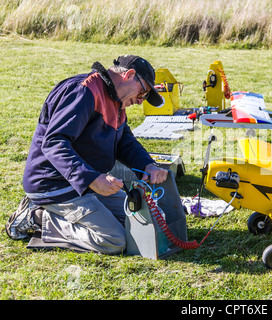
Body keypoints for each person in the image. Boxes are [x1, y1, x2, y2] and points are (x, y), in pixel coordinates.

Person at [6, 55, 168, 254]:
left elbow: (126, 142)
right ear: (129, 75)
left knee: (152, 218)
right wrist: (92, 179)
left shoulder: (116, 100)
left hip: (87, 183)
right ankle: (36, 217)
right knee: (114, 240)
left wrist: (147, 165)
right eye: (143, 92)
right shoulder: (83, 91)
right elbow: (54, 143)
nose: (141, 101)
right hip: (55, 185)